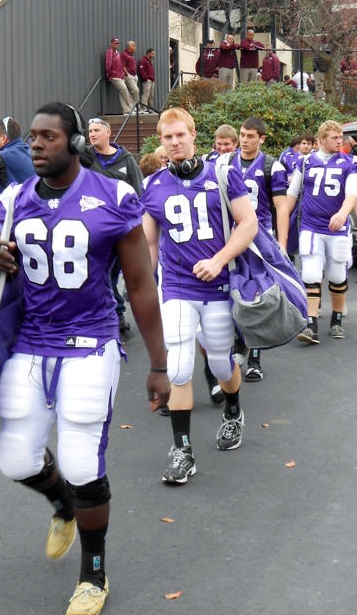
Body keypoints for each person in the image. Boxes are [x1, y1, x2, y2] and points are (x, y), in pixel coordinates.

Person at [0, 102, 170, 615]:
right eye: (34, 138)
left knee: (82, 460)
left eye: (48, 136)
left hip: (90, 341)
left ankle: (93, 573)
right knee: (16, 459)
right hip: (32, 341)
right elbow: (10, 268)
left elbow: (138, 284)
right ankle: (63, 506)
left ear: (73, 143)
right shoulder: (15, 199)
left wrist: (158, 363)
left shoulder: (113, 196)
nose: (37, 145)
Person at [141, 108, 258, 485]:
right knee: (177, 366)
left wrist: (220, 258)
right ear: (162, 140)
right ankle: (183, 450)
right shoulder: (154, 184)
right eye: (167, 137)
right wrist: (144, 290)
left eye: (180, 135)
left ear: (193, 135)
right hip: (176, 288)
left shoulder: (222, 174)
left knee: (222, 364)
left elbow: (249, 224)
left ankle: (234, 411)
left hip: (218, 287)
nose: (174, 142)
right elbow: (149, 243)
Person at [286, 119, 357, 343]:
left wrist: (342, 213)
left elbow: (351, 194)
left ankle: (336, 319)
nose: (340, 141)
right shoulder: (305, 162)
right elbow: (292, 194)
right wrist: (281, 223)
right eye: (334, 138)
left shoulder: (351, 162)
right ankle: (311, 325)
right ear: (321, 140)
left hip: (337, 229)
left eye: (341, 137)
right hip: (311, 225)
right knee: (310, 273)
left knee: (338, 274)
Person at [229, 117, 290, 381]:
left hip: (259, 239)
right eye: (242, 134)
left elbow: (282, 207)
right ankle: (238, 341)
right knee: (230, 292)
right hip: (229, 238)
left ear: (262, 139)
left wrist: (282, 245)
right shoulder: (224, 163)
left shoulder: (271, 165)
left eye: (251, 136)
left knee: (258, 297)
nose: (244, 140)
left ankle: (255, 357)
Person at [82, 117, 143, 334]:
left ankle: (119, 309)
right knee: (102, 272)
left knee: (119, 272)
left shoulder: (126, 160)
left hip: (122, 227)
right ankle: (115, 313)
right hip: (95, 228)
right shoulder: (86, 158)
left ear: (109, 133)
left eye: (97, 130)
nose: (92, 134)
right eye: (90, 131)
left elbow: (138, 192)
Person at [105, 37, 135, 114]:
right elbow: (108, 64)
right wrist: (108, 73)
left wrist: (122, 73)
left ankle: (126, 110)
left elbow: (120, 64)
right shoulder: (110, 51)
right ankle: (131, 107)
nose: (116, 45)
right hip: (114, 75)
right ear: (111, 44)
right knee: (124, 89)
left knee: (122, 92)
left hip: (120, 75)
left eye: (117, 43)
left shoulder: (117, 53)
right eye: (115, 43)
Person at [120, 40, 140, 110]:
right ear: (130, 46)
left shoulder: (131, 55)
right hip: (129, 76)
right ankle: (137, 108)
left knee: (132, 92)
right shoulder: (124, 54)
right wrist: (127, 74)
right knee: (135, 90)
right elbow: (122, 65)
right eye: (134, 46)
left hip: (134, 75)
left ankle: (133, 109)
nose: (135, 47)